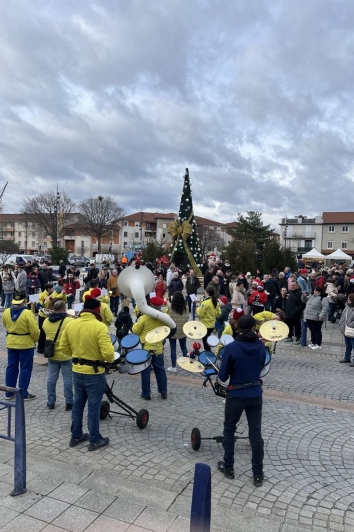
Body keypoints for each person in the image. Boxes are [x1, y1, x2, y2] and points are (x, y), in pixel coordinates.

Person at [60, 294, 114, 450]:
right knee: (93, 407)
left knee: (78, 404)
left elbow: (63, 347)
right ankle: (94, 440)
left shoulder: (71, 324)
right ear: (97, 310)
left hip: (77, 370)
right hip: (95, 373)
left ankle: (75, 436)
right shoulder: (100, 327)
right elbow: (109, 355)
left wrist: (78, 354)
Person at [217, 315, 265, 487]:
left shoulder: (231, 347)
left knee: (229, 430)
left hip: (236, 394)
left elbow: (223, 376)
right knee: (256, 435)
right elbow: (260, 368)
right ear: (253, 328)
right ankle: (258, 474)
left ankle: (228, 467)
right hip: (255, 394)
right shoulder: (261, 346)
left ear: (238, 328)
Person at [3, 292, 39, 400]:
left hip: (11, 342)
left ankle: (9, 392)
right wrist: (35, 340)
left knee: (11, 367)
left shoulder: (6, 311)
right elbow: (34, 331)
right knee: (25, 368)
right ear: (24, 301)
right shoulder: (27, 313)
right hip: (25, 344)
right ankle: (23, 393)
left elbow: (5, 324)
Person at [132, 296, 169, 400]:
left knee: (145, 371)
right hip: (158, 348)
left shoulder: (144, 318)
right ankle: (163, 391)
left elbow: (135, 330)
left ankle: (146, 393)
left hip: (146, 348)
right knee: (160, 370)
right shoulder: (164, 317)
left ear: (151, 305)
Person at [42, 300, 74, 410]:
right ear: (63, 309)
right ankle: (69, 402)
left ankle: (51, 402)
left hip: (51, 354)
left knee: (51, 378)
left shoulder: (46, 321)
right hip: (66, 354)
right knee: (68, 379)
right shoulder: (69, 321)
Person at [165, 291, 189, 372]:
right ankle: (187, 365)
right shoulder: (186, 307)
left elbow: (165, 316)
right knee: (184, 348)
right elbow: (187, 318)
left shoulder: (169, 306)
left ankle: (173, 366)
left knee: (173, 348)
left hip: (173, 331)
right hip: (182, 330)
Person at [283, 280, 303, 345]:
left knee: (297, 326)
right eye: (291, 285)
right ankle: (289, 336)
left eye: (294, 285)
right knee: (289, 325)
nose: (292, 287)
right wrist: (284, 309)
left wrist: (297, 310)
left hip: (296, 314)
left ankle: (298, 337)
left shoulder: (300, 293)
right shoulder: (288, 292)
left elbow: (302, 304)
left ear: (297, 285)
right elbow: (284, 302)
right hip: (288, 313)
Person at [338, 294, 354, 364]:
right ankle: (347, 358)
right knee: (348, 344)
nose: (348, 300)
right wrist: (341, 323)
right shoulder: (347, 307)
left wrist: (350, 324)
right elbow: (343, 316)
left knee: (353, 345)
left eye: (349, 299)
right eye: (348, 299)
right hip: (345, 329)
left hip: (351, 329)